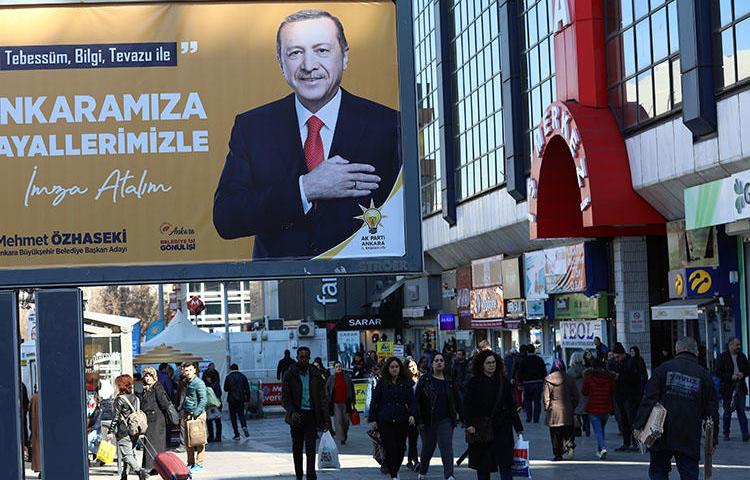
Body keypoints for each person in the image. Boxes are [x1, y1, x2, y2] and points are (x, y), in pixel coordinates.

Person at [213, 9, 401, 259]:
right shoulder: (253, 127)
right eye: (295, 53)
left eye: (322, 50)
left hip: (367, 287)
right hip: (282, 288)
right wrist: (306, 188)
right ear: (281, 63)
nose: (309, 65)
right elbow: (227, 217)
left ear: (344, 57)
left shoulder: (389, 126)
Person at [634, 337, 719, 480]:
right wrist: (713, 438)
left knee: (658, 471)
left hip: (661, 431)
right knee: (689, 474)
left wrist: (639, 424)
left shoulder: (663, 369)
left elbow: (649, 398)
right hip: (689, 433)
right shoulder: (704, 375)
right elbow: (712, 410)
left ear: (677, 350)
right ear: (696, 352)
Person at [464, 350, 523, 480]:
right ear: (482, 365)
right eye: (488, 363)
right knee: (483, 465)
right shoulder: (474, 382)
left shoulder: (503, 381)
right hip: (481, 429)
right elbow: (468, 405)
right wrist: (469, 424)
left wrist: (518, 428)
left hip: (502, 427)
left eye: (493, 362)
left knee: (505, 464)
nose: (491, 365)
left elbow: (511, 406)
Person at [282, 347, 330, 480]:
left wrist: (326, 419)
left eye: (306, 357)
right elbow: (285, 398)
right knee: (297, 449)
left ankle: (311, 475)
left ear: (309, 358)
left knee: (310, 448)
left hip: (311, 416)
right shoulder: (290, 374)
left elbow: (322, 398)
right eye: (301, 357)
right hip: (296, 416)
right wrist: (291, 412)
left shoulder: (315, 373)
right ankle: (299, 475)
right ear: (297, 357)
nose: (304, 359)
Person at [368, 356, 417, 480]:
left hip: (401, 419)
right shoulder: (382, 382)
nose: (394, 369)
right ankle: (394, 475)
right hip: (385, 419)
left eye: (396, 367)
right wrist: (372, 419)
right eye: (392, 367)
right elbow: (375, 401)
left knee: (401, 448)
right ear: (388, 369)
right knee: (390, 447)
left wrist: (412, 414)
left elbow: (412, 401)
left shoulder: (405, 383)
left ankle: (395, 469)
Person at [415, 352, 462, 480]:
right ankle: (423, 471)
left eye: (441, 360)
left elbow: (457, 401)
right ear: (432, 364)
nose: (439, 362)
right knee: (428, 448)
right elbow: (416, 400)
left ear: (444, 363)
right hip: (427, 420)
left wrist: (464, 419)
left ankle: (449, 475)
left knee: (446, 447)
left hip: (445, 420)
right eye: (436, 360)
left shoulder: (449, 381)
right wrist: (417, 418)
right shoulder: (425, 379)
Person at [107, 374, 149, 480]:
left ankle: (140, 472)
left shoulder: (120, 399)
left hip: (123, 431)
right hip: (134, 430)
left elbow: (116, 417)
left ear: (121, 385)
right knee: (129, 451)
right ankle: (124, 476)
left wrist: (110, 431)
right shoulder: (135, 398)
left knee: (126, 454)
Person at [543, 359, 579, 461]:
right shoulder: (570, 379)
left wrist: (547, 408)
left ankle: (558, 454)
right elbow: (576, 396)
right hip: (567, 410)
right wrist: (572, 406)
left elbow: (546, 397)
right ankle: (569, 445)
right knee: (568, 431)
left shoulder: (548, 380)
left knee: (555, 434)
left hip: (554, 411)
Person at [715, 337, 750, 441]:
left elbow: (748, 369)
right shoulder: (723, 357)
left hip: (740, 387)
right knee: (727, 411)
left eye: (739, 345)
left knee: (741, 411)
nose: (739, 347)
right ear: (730, 345)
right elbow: (717, 372)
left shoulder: (742, 356)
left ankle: (745, 433)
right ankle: (726, 433)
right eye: (736, 345)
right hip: (727, 388)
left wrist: (742, 374)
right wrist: (730, 376)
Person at [609, 343, 642, 452]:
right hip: (620, 395)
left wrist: (620, 376)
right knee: (623, 420)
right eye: (615, 357)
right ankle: (626, 443)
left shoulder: (631, 362)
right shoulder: (616, 363)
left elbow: (636, 378)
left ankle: (635, 443)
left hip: (631, 396)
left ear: (623, 354)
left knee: (631, 419)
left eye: (617, 357)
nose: (616, 359)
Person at [140, 367, 172, 473]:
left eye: (150, 376)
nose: (148, 378)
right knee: (149, 443)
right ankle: (150, 466)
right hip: (149, 420)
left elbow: (164, 403)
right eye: (146, 375)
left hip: (157, 419)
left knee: (157, 443)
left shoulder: (157, 386)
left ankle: (156, 467)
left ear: (154, 377)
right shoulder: (146, 388)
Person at [582, 358, 615, 459]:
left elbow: (584, 391)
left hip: (593, 407)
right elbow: (613, 390)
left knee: (598, 430)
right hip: (606, 407)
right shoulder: (609, 378)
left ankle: (603, 448)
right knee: (601, 429)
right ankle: (600, 450)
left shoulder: (589, 377)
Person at [180, 362, 208, 473]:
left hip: (197, 414)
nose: (188, 373)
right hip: (187, 414)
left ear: (195, 370)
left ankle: (200, 464)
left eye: (190, 370)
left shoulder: (199, 383)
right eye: (186, 370)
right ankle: (190, 463)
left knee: (199, 439)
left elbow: (203, 400)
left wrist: (196, 413)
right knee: (188, 441)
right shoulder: (186, 382)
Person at [326, 361, 355, 445]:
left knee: (346, 421)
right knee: (338, 421)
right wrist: (329, 399)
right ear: (334, 368)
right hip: (336, 403)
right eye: (336, 366)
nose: (338, 368)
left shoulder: (347, 378)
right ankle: (341, 438)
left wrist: (353, 401)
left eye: (339, 366)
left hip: (346, 402)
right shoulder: (331, 378)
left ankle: (344, 434)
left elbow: (352, 390)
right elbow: (327, 389)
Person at [517, 344, 547, 423]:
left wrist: (519, 383)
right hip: (538, 382)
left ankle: (529, 417)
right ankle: (536, 418)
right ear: (534, 350)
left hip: (527, 382)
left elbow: (520, 372)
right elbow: (544, 371)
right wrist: (544, 380)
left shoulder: (524, 360)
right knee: (537, 401)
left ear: (527, 351)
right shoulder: (539, 359)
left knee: (528, 400)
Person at [224, 363, 251, 440]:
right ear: (238, 368)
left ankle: (237, 434)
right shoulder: (243, 376)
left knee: (233, 417)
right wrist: (247, 399)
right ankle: (244, 426)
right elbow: (247, 389)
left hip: (231, 399)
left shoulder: (228, 377)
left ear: (231, 369)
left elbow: (225, 389)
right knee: (241, 414)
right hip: (241, 399)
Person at [404, 358, 422, 472]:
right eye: (410, 366)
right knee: (412, 438)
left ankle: (412, 460)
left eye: (414, 365)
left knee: (414, 438)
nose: (413, 368)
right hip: (409, 413)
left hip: (421, 412)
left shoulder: (422, 378)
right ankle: (414, 460)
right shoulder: (405, 382)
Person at [567, 351, 590, 437]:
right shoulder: (586, 371)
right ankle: (587, 427)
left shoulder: (569, 371)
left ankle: (577, 430)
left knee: (575, 412)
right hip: (584, 393)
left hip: (574, 394)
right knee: (585, 411)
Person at [204, 369, 223, 443]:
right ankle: (214, 436)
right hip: (213, 405)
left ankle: (216, 436)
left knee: (214, 421)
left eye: (208, 377)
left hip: (214, 405)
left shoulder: (213, 384)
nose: (207, 378)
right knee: (212, 421)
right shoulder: (215, 384)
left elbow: (219, 394)